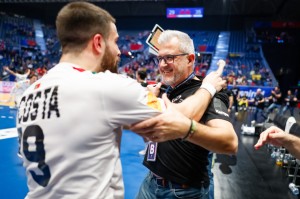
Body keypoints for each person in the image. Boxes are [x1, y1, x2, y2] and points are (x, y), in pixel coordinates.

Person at [17, 2, 226, 199]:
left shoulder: (30, 94)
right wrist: (208, 86)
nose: (119, 51)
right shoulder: (107, 86)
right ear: (98, 42)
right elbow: (179, 117)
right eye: (115, 41)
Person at [131, 30, 238, 199]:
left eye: (170, 58)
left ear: (190, 59)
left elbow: (229, 142)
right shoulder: (167, 89)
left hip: (183, 192)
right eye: (160, 59)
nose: (162, 64)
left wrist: (187, 129)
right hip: (151, 181)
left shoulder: (209, 92)